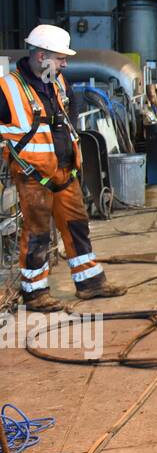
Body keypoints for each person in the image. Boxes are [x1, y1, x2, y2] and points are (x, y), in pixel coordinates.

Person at [0, 25, 124, 312]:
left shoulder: (58, 83)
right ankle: (35, 293)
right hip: (33, 176)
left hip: (65, 171)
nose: (65, 63)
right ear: (42, 56)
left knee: (77, 226)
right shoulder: (8, 88)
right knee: (38, 232)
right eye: (60, 58)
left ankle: (90, 282)